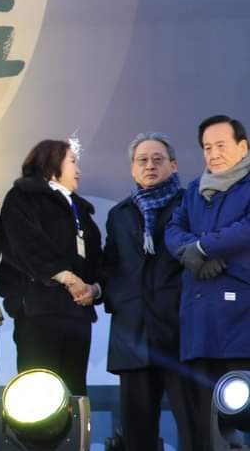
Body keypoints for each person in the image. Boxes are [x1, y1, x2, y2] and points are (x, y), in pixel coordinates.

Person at [101, 132, 195, 451]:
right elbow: (110, 267)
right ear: (132, 168)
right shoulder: (119, 214)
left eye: (158, 159)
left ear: (174, 165)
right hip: (133, 337)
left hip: (180, 335)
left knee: (194, 429)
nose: (150, 166)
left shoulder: (190, 205)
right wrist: (116, 298)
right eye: (142, 160)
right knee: (137, 436)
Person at [166, 115, 250, 450]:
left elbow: (246, 229)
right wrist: (193, 254)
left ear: (242, 147)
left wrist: (203, 248)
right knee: (208, 420)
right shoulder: (193, 191)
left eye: (221, 145)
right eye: (206, 147)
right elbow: (173, 230)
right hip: (200, 322)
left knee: (243, 412)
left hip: (242, 322)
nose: (213, 154)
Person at [0, 139, 102, 396]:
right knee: (39, 395)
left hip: (76, 316)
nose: (78, 170)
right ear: (52, 164)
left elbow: (97, 258)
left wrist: (94, 288)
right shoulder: (22, 197)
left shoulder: (80, 209)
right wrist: (66, 277)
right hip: (38, 313)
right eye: (72, 162)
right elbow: (25, 244)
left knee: (74, 394)